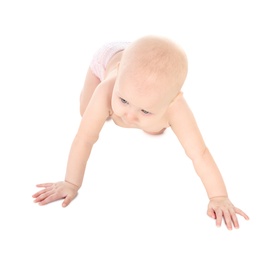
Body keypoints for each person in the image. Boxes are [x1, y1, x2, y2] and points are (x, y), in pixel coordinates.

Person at [32, 35, 249, 230]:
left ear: (173, 99)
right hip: (110, 56)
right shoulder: (108, 88)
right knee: (86, 112)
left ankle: (145, 110)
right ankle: (137, 103)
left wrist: (219, 196)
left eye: (145, 110)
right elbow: (84, 138)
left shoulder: (176, 107)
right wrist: (71, 183)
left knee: (156, 127)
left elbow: (199, 153)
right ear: (117, 82)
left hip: (139, 70)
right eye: (123, 100)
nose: (129, 116)